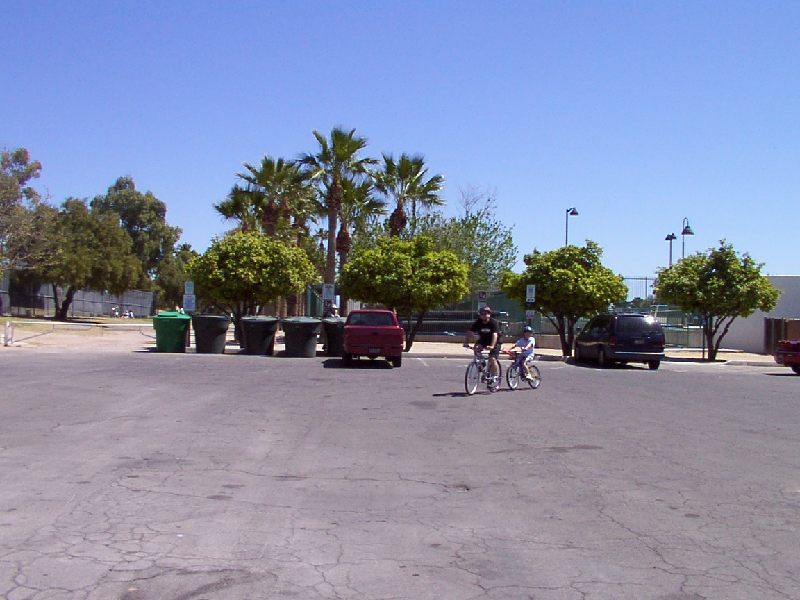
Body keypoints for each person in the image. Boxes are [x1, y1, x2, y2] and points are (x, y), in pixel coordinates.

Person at [464, 305, 502, 384]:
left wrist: (492, 346)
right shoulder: (478, 322)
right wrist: (466, 342)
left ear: (489, 314)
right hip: (483, 341)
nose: (484, 315)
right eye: (482, 314)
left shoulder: (493, 323)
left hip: (495, 342)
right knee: (476, 348)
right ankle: (482, 363)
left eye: (486, 313)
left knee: (492, 359)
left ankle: (495, 376)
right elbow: (470, 332)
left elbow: (495, 335)